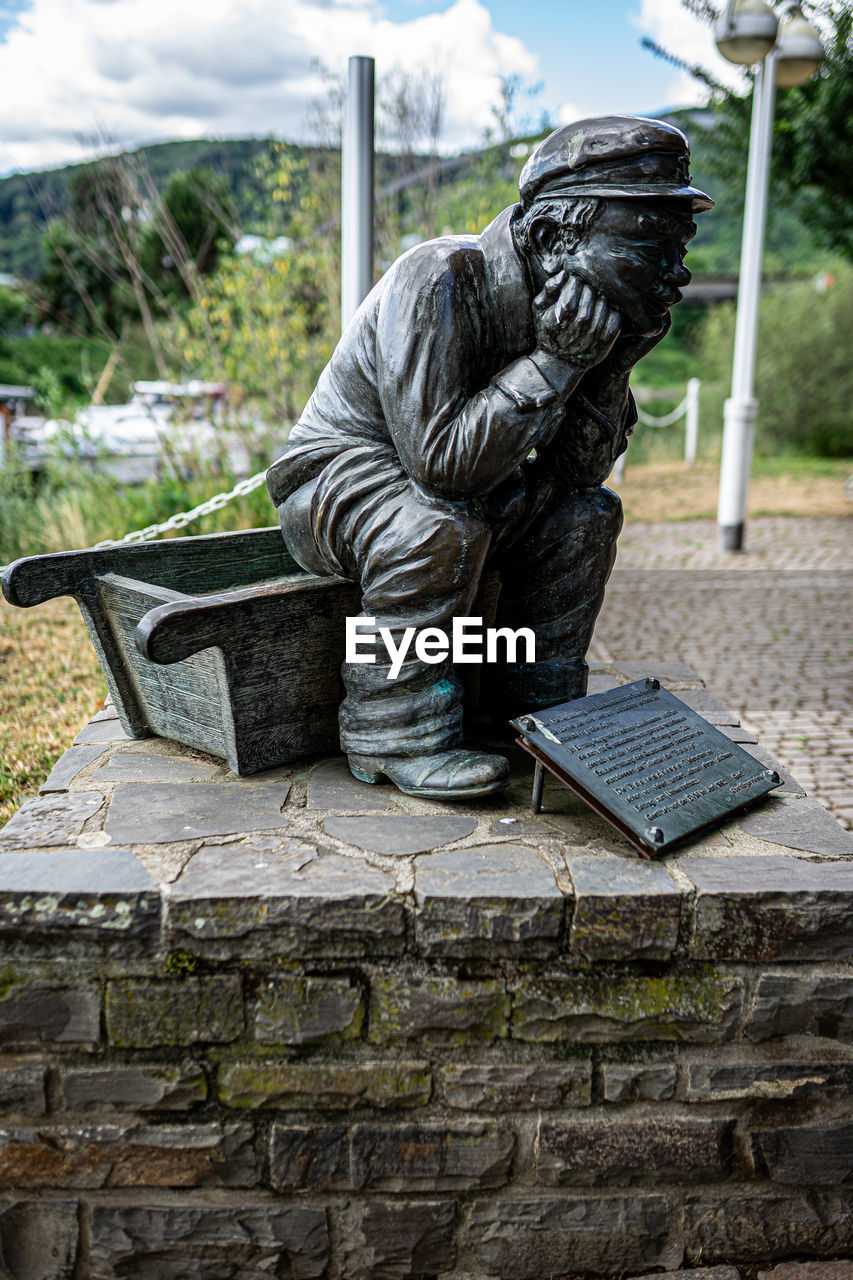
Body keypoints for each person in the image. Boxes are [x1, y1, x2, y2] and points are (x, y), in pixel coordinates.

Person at [266, 115, 712, 799]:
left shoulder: (592, 308)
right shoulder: (437, 279)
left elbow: (577, 476)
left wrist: (611, 367)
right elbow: (441, 467)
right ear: (548, 236)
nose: (675, 272)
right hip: (335, 481)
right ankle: (393, 733)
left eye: (679, 246)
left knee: (585, 518)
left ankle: (535, 714)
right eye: (650, 243)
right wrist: (557, 362)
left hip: (468, 484)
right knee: (437, 527)